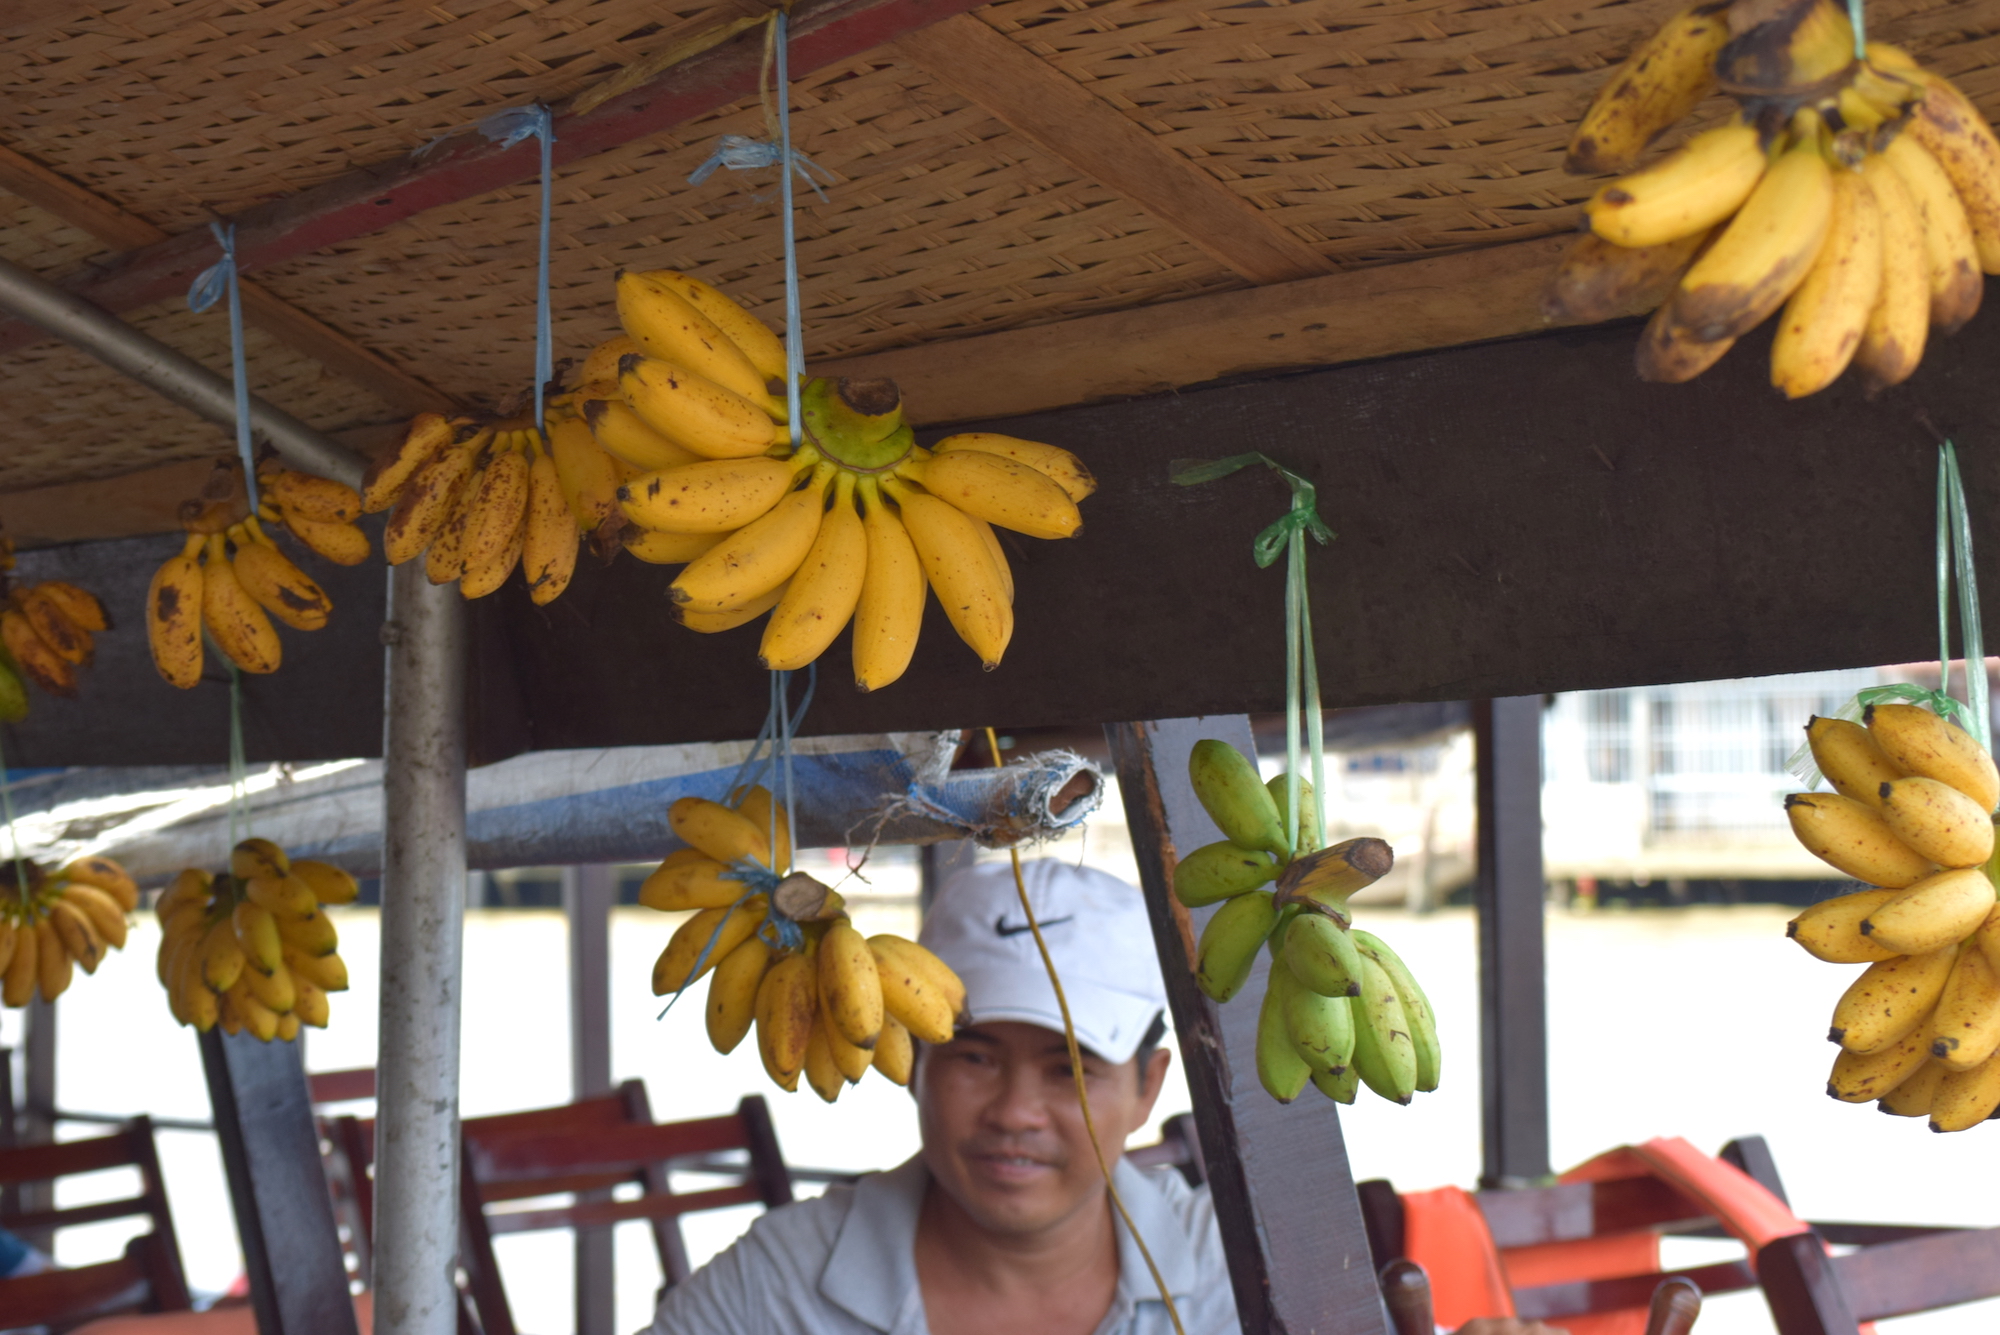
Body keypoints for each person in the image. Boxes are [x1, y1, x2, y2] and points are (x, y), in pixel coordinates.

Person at [647, 858, 1567, 1335]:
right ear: (914, 1062)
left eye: (1070, 1069)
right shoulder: (785, 1282)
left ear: (1147, 1087)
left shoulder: (1237, 1274)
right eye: (975, 1057)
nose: (1015, 1111)